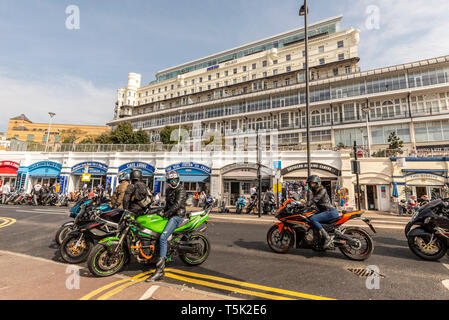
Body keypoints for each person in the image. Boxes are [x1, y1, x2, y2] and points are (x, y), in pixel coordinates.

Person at [146, 170, 186, 282]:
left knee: (163, 238)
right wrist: (157, 211)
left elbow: (177, 205)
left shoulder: (181, 189)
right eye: (171, 180)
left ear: (178, 180)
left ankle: (160, 271)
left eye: (175, 180)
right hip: (169, 215)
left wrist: (165, 214)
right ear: (168, 181)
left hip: (177, 216)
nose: (173, 182)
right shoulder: (168, 190)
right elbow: (167, 205)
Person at [301, 175, 339, 249]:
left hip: (330, 212)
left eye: (313, 183)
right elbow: (315, 203)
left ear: (317, 183)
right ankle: (319, 241)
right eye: (310, 183)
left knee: (313, 219)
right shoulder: (316, 191)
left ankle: (327, 237)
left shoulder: (322, 190)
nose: (311, 185)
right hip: (327, 211)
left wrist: (305, 205)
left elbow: (315, 200)